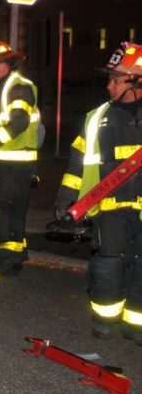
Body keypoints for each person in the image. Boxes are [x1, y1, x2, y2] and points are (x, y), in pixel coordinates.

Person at [55, 42, 142, 343]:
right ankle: (104, 321)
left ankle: (136, 324)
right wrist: (66, 202)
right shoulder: (96, 118)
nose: (109, 85)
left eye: (116, 79)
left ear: (136, 81)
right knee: (108, 263)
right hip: (108, 207)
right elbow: (77, 163)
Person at [0, 41, 41, 276]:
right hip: (2, 162)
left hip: (15, 163)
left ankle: (11, 258)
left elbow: (19, 121)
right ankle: (11, 254)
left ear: (1, 64)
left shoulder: (19, 88)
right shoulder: (1, 89)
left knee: (9, 213)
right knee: (3, 211)